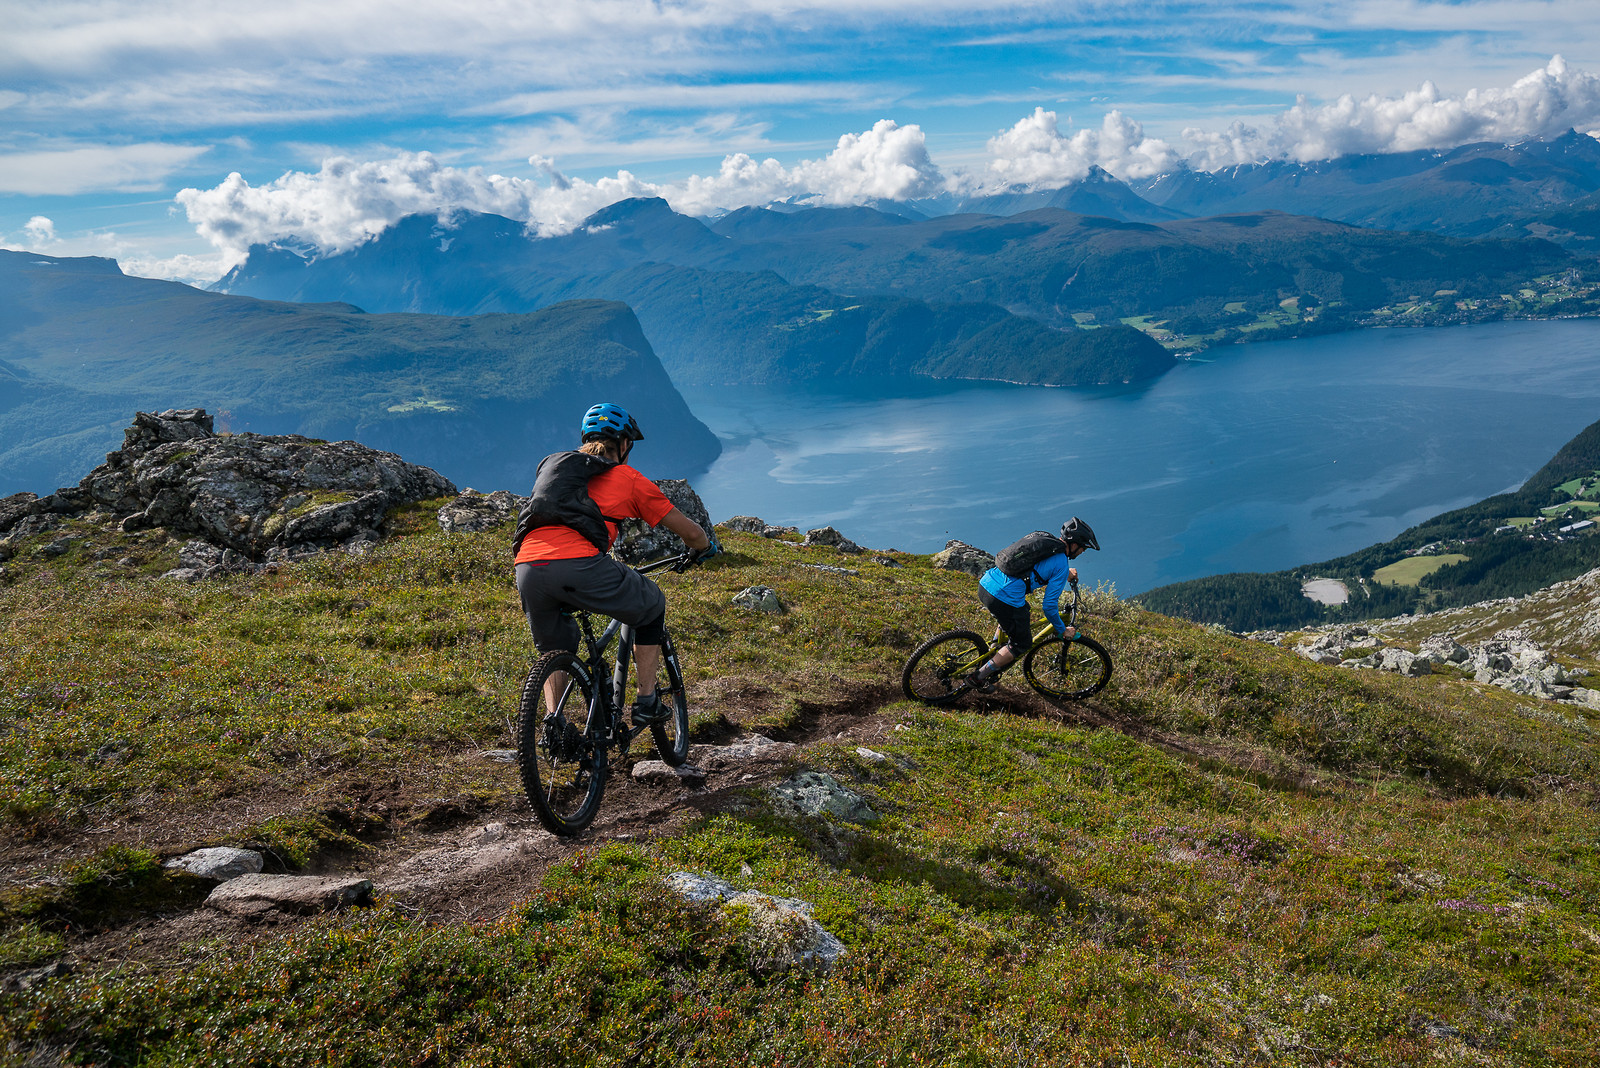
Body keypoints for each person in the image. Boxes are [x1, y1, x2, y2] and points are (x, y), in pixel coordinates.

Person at [513, 402, 714, 725]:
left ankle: (554, 721)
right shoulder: (627, 478)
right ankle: (647, 701)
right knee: (651, 605)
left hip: (527, 565)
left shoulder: (559, 472)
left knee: (555, 648)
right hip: (579, 565)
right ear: (623, 445)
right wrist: (704, 547)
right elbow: (690, 532)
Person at [967, 517, 1100, 691]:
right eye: (1083, 547)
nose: (1082, 551)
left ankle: (994, 651)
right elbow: (1049, 607)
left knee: (1019, 613)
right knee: (1021, 644)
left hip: (986, 584)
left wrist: (1064, 572)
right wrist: (1063, 630)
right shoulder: (1061, 563)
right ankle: (978, 677)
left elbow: (1034, 565)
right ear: (1074, 544)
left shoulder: (1045, 541)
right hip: (1002, 597)